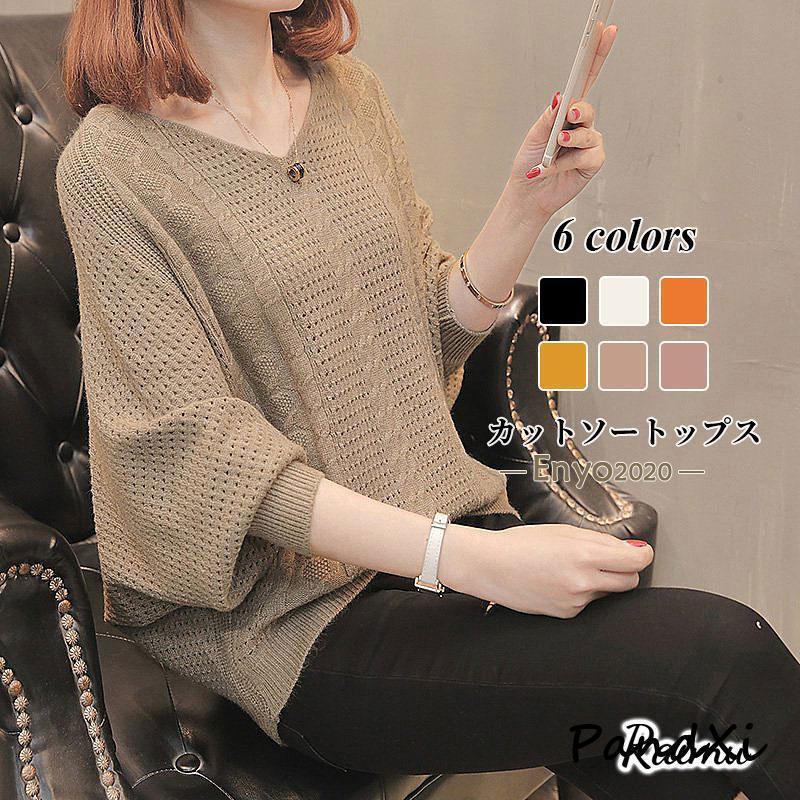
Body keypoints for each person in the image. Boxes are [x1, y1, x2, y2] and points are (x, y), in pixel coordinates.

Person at [55, 1, 799, 798]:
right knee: (718, 653)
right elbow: (202, 456)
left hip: (432, 544)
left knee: (664, 754)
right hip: (295, 624)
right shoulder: (113, 164)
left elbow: (426, 331)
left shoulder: (347, 94)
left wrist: (525, 203)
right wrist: (476, 560)